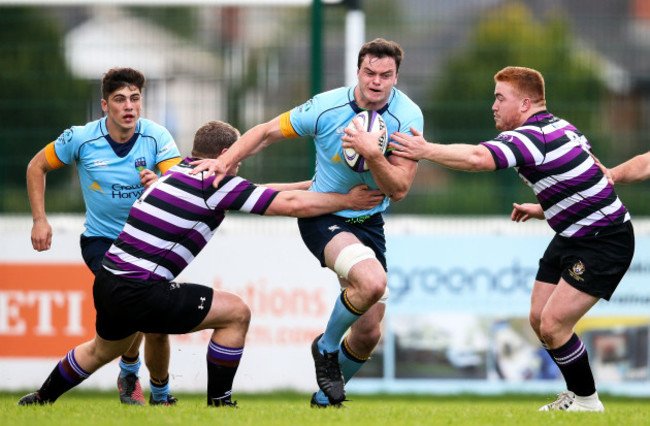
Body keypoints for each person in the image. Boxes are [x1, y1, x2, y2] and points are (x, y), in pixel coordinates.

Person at [18, 120, 384, 407]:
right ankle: (219, 405)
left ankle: (42, 398)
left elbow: (269, 190)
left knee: (101, 350)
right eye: (237, 154)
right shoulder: (215, 181)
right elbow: (288, 205)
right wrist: (346, 201)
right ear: (225, 153)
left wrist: (320, 185)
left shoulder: (179, 174)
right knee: (236, 313)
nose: (239, 161)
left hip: (109, 280)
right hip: (140, 288)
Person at [190, 38, 423, 407]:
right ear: (358, 71)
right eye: (370, 73)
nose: (376, 82)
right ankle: (326, 348)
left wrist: (373, 155)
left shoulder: (408, 117)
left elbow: (399, 189)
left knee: (367, 333)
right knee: (373, 281)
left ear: (396, 77)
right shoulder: (325, 107)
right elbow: (265, 132)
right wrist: (224, 162)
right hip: (322, 215)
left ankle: (323, 401)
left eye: (386, 75)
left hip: (370, 222)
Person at [388, 66, 634, 412]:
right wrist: (545, 208)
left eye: (500, 98)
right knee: (538, 318)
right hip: (572, 233)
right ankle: (576, 394)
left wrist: (424, 150)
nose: (494, 106)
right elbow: (582, 178)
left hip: (605, 239)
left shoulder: (531, 137)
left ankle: (587, 401)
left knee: (554, 324)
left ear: (525, 103)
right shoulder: (559, 126)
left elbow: (477, 159)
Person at [26, 67, 182, 406]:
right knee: (134, 299)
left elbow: (179, 186)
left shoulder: (157, 136)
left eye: (135, 99)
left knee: (150, 320)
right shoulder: (81, 138)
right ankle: (133, 375)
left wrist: (160, 184)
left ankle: (153, 389)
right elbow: (36, 166)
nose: (129, 106)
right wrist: (40, 220)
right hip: (102, 242)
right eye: (120, 99)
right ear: (104, 105)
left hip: (149, 242)